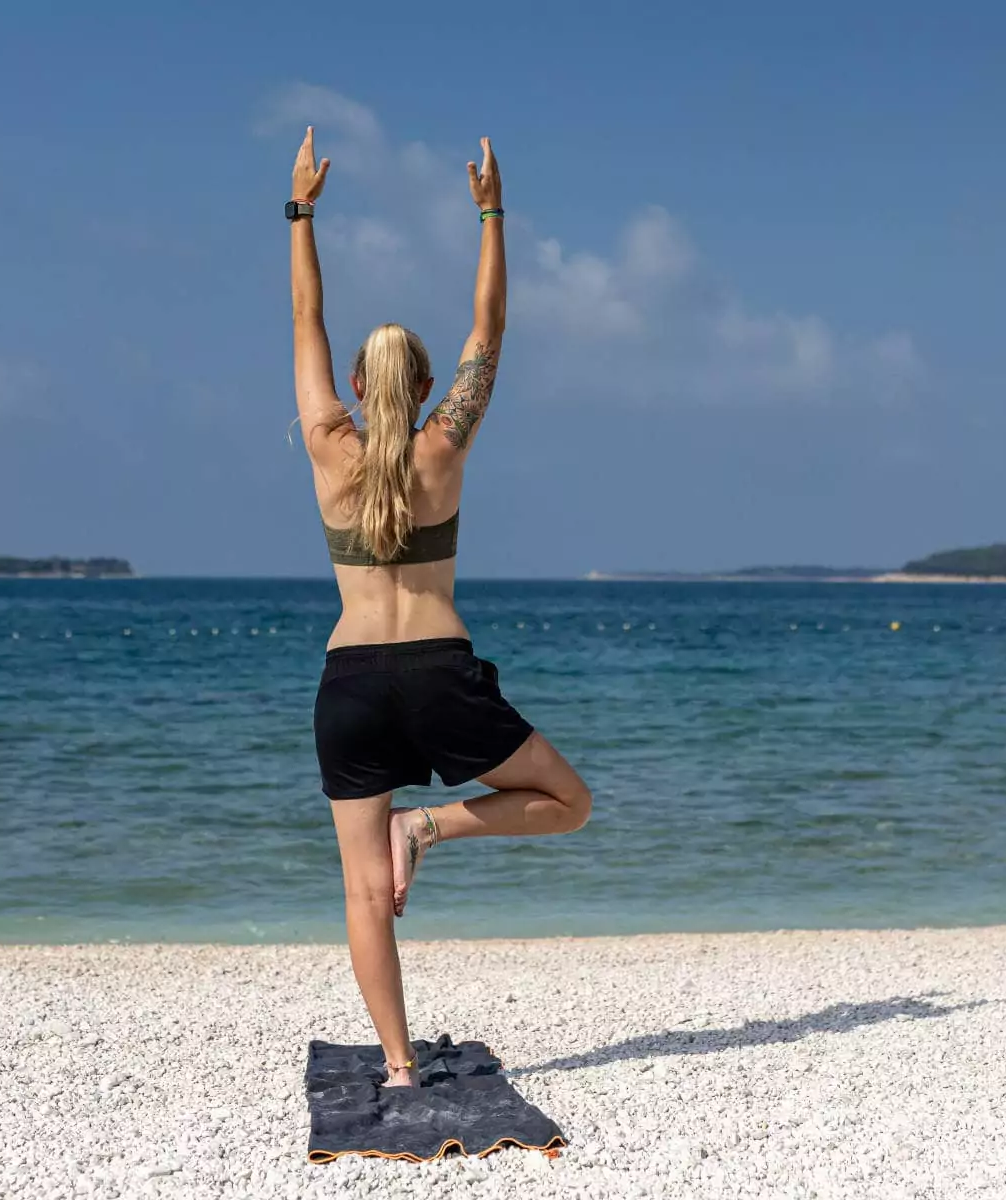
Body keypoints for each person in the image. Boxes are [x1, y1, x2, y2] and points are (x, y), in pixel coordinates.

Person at [287, 127, 592, 1088]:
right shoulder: (444, 448)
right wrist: (493, 212)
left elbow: (306, 318)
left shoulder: (326, 443)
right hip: (437, 673)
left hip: (351, 683)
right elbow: (488, 331)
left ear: (351, 387)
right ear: (422, 390)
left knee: (362, 894)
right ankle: (429, 827)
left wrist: (300, 213)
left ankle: (398, 1066)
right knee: (567, 804)